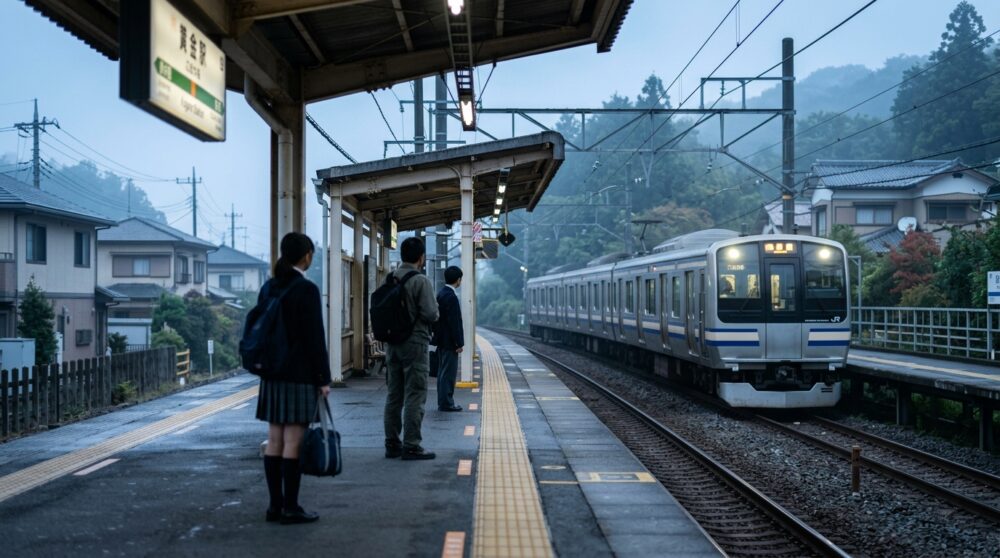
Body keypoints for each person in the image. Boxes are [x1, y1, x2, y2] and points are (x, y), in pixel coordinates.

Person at [255, 232, 332, 525]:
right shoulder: (306, 290)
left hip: (272, 374)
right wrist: (323, 378)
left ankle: (274, 506)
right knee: (293, 442)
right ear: (307, 256)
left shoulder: (270, 287)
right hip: (299, 375)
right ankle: (291, 506)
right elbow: (315, 338)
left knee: (274, 439)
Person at [384, 236, 440, 460]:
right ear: (421, 257)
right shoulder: (421, 281)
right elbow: (431, 313)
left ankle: (391, 443)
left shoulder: (391, 278)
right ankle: (412, 445)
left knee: (394, 394)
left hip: (392, 343)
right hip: (415, 342)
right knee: (415, 393)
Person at [432, 266, 464, 412]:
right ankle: (447, 403)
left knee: (442, 372)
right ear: (458, 280)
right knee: (448, 373)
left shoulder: (441, 294)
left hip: (441, 340)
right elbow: (454, 322)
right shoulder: (451, 297)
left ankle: (444, 401)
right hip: (449, 342)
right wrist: (458, 342)